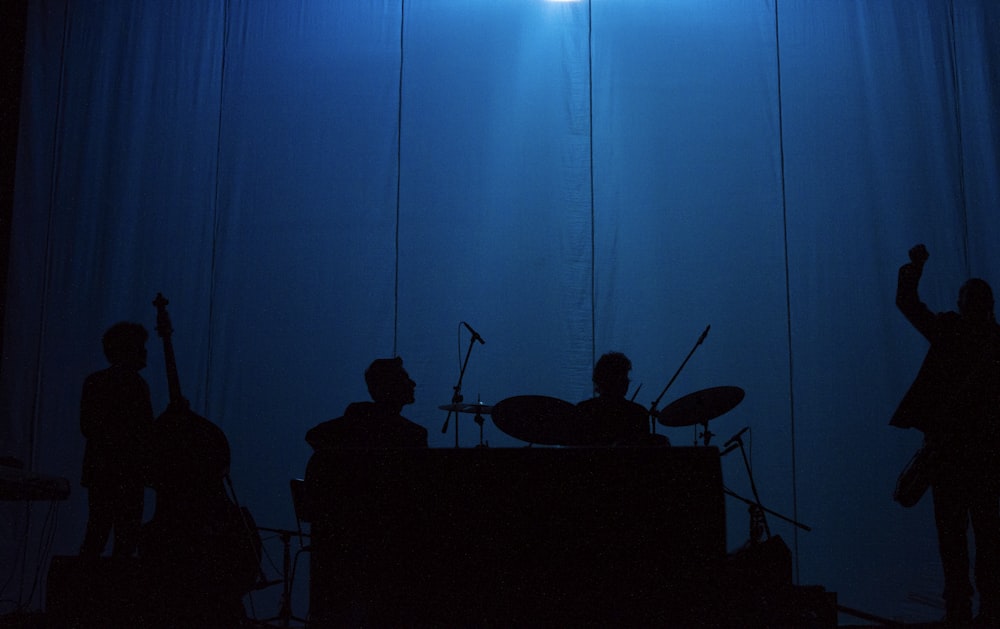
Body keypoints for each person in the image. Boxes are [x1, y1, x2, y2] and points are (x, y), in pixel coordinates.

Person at [892, 243, 1000, 625]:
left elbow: (908, 304)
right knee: (987, 535)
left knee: (953, 536)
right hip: (987, 456)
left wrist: (915, 269)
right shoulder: (994, 343)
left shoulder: (950, 331)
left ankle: (961, 605)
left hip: (951, 454)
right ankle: (988, 605)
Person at [79, 322, 154, 559]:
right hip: (127, 472)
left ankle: (86, 589)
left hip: (103, 471)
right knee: (123, 538)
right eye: (140, 347)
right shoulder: (136, 385)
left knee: (97, 533)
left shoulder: (96, 382)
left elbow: (88, 427)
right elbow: (146, 431)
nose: (145, 352)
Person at [306, 357, 428, 450]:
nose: (413, 383)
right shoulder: (414, 434)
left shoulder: (356, 417)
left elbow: (314, 436)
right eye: (404, 378)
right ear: (388, 385)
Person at [576, 352, 656, 446]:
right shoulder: (638, 412)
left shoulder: (584, 409)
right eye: (621, 377)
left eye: (625, 377)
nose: (626, 381)